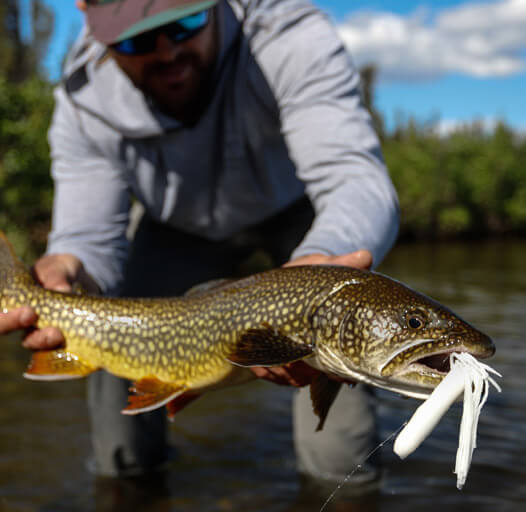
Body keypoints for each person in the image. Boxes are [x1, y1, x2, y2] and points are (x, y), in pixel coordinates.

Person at [0, 0, 399, 485]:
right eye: (135, 38)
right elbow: (87, 238)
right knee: (114, 398)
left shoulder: (286, 32)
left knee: (340, 402)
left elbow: (356, 180)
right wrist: (66, 269)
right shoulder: (84, 94)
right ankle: (130, 487)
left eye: (184, 22)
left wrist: (324, 264)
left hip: (305, 225)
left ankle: (345, 486)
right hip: (175, 228)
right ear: (88, 15)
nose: (167, 51)